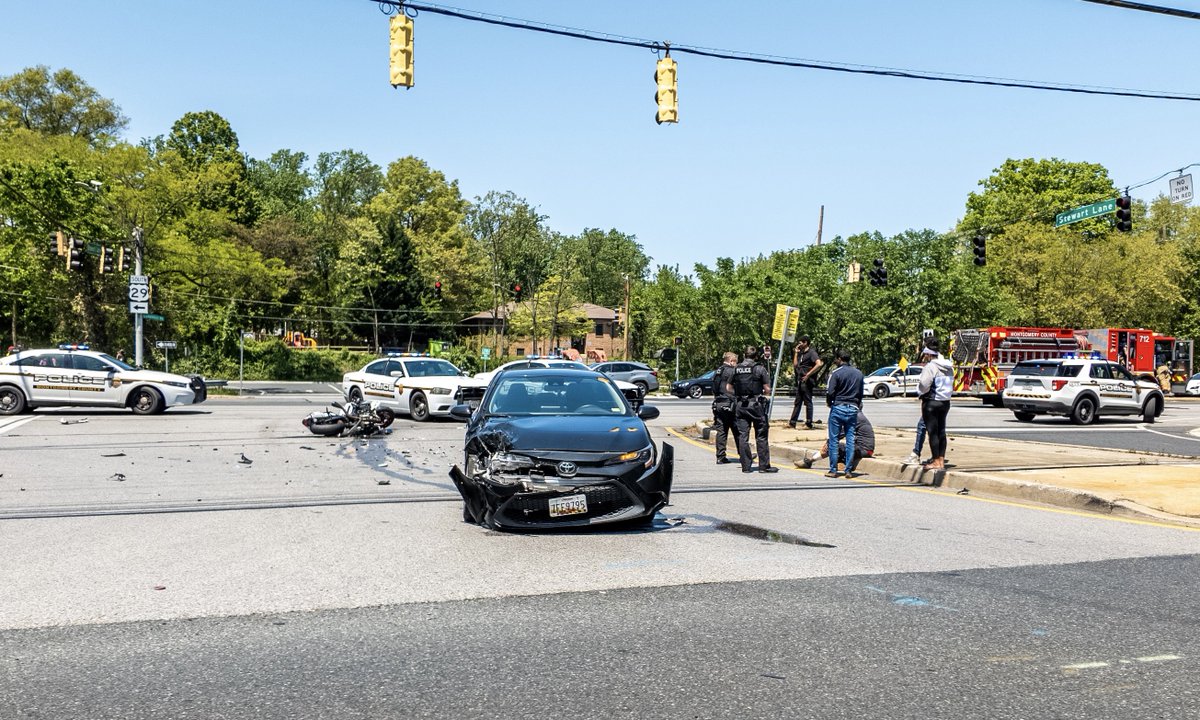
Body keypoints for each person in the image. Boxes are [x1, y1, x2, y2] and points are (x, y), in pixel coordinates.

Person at [729, 345, 777, 473]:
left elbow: (728, 388)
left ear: (744, 355)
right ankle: (763, 466)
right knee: (761, 435)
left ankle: (745, 466)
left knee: (743, 436)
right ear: (756, 357)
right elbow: (767, 390)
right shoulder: (759, 369)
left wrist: (738, 394)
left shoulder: (736, 369)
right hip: (756, 405)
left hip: (740, 405)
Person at [823, 350, 864, 478]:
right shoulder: (859, 373)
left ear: (840, 359)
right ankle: (848, 470)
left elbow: (830, 392)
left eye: (836, 359)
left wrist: (830, 403)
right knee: (850, 439)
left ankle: (833, 470)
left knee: (834, 439)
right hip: (852, 408)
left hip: (838, 407)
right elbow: (861, 393)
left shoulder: (835, 373)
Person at [917, 337, 955, 471]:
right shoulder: (949, 366)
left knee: (932, 432)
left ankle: (935, 460)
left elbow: (923, 385)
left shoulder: (930, 367)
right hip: (945, 402)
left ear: (928, 354)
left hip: (931, 402)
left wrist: (921, 392)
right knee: (941, 431)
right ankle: (941, 460)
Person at [802, 409, 875, 472]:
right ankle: (812, 460)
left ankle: (810, 461)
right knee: (837, 445)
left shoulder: (856, 417)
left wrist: (828, 442)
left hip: (864, 450)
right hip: (864, 449)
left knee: (835, 445)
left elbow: (839, 435)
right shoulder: (858, 416)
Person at [711, 352, 741, 464]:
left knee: (722, 431)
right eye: (735, 362)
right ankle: (743, 454)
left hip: (718, 403)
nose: (736, 364)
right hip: (730, 403)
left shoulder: (718, 371)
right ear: (731, 360)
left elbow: (714, 388)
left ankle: (720, 456)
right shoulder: (732, 371)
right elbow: (737, 387)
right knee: (738, 430)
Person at [788, 336, 823, 430]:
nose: (799, 344)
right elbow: (795, 365)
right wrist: (796, 353)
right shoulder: (801, 353)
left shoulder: (812, 353)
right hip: (801, 380)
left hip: (807, 381)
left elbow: (819, 364)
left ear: (806, 343)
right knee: (798, 402)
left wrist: (808, 374)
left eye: (800, 343)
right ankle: (792, 422)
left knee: (808, 401)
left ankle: (809, 422)